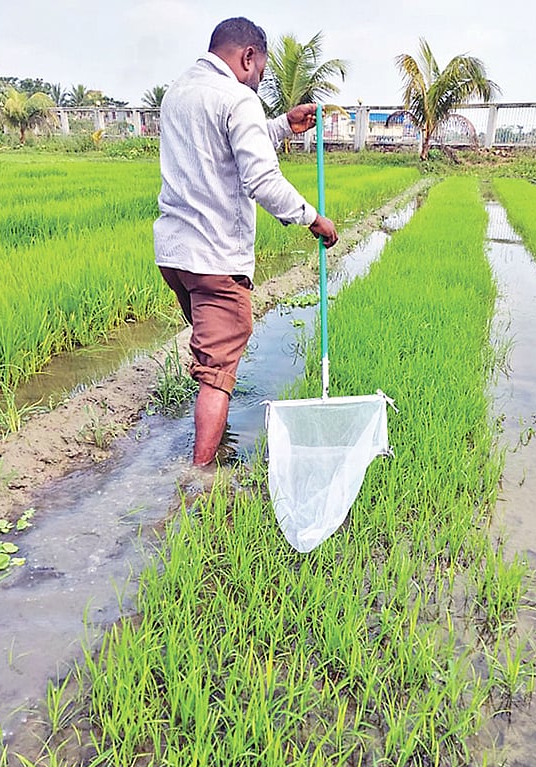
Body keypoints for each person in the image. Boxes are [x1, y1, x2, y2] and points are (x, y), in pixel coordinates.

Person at [154, 16, 339, 467]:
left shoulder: (178, 92)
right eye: (259, 72)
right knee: (217, 375)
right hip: (217, 258)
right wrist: (313, 219)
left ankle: (214, 438)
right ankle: (200, 476)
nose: (257, 82)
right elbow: (261, 178)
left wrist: (279, 125)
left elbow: (219, 145)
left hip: (176, 257)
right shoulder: (237, 97)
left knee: (210, 356)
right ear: (247, 57)